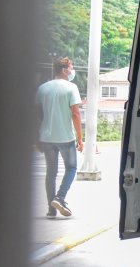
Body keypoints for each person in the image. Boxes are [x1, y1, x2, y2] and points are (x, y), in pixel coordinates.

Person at [36, 57, 84, 218]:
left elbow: (37, 115)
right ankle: (60, 197)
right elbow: (76, 114)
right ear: (64, 70)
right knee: (71, 168)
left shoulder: (42, 88)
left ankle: (51, 210)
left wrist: (37, 138)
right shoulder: (71, 88)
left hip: (46, 138)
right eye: (71, 67)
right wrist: (79, 137)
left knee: (51, 172)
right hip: (65, 138)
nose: (72, 71)